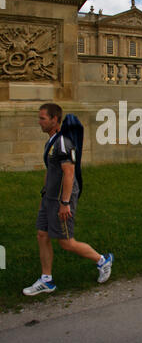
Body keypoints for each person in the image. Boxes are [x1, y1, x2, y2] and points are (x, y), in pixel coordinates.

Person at [23, 103, 113, 296]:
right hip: (50, 198)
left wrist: (64, 203)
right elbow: (51, 171)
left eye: (42, 118)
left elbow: (69, 174)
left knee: (66, 242)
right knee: (42, 235)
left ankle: (103, 261)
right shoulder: (52, 141)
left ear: (55, 120)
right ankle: (47, 280)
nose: (39, 122)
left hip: (61, 200)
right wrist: (44, 195)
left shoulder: (63, 143)